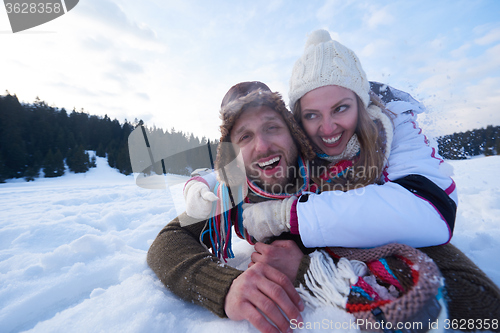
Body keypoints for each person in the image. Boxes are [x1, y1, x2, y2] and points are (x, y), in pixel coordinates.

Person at [239, 29, 500, 323]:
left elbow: (431, 208)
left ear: (362, 103)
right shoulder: (290, 142)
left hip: (394, 237)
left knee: (479, 305)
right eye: (312, 115)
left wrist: (291, 218)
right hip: (347, 242)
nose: (327, 129)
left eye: (341, 109)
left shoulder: (395, 124)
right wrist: (206, 187)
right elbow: (236, 173)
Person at [148, 81, 319, 333]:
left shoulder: (331, 175)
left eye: (271, 127)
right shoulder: (232, 194)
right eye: (245, 136)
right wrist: (225, 286)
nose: (262, 146)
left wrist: (310, 268)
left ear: (292, 131)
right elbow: (168, 241)